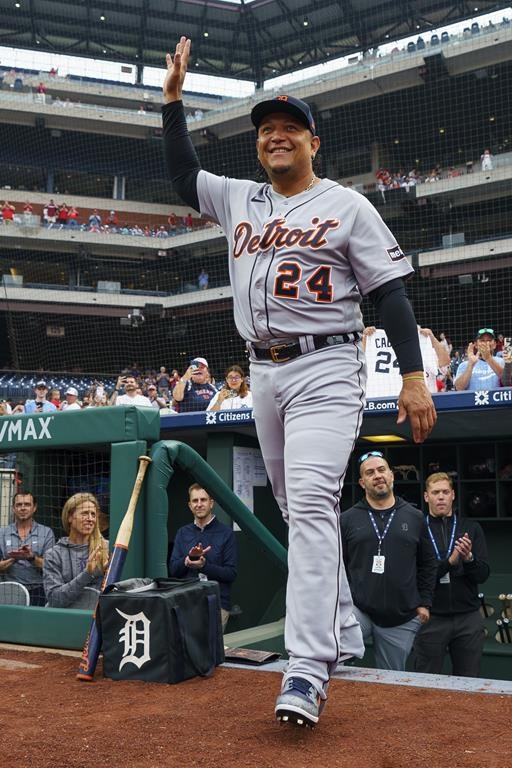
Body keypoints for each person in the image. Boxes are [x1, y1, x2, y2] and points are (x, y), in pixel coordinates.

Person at [162, 36, 436, 728]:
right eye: (265, 130)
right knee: (294, 508)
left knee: (312, 503)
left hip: (325, 366)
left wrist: (412, 377)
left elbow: (393, 295)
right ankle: (342, 625)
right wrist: (172, 104)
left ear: (313, 140)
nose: (275, 136)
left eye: (288, 127)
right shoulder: (239, 199)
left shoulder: (347, 205)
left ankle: (307, 669)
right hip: (262, 372)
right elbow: (181, 175)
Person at [341, 452, 437, 671]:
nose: (377, 476)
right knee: (333, 657)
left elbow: (428, 563)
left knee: (390, 682)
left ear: (392, 476)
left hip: (400, 618)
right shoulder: (347, 519)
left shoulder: (414, 517)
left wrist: (425, 603)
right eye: (370, 472)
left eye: (382, 470)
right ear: (362, 482)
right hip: (358, 610)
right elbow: (337, 565)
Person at [414, 472, 490, 677]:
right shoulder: (417, 529)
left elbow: (482, 575)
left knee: (469, 681)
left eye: (445, 492)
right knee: (425, 680)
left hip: (468, 617)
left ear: (453, 495)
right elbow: (417, 576)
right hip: (431, 617)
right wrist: (449, 562)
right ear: (426, 496)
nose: (441, 497)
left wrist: (469, 559)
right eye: (435, 492)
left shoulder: (471, 529)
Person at [169, 484, 237, 631]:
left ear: (211, 503)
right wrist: (186, 561)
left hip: (217, 605)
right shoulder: (182, 533)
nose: (199, 504)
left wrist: (204, 566)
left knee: (211, 652)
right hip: (187, 603)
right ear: (189, 505)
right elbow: (173, 569)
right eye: (195, 501)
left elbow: (231, 574)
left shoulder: (226, 534)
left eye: (203, 500)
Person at [43, 493, 108, 609]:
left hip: (97, 619)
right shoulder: (54, 554)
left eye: (93, 514)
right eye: (84, 513)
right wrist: (87, 574)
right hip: (64, 619)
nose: (90, 519)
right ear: (70, 517)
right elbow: (55, 600)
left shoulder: (105, 549)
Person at [0, 492, 55, 606]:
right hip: (8, 590)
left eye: (27, 504)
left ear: (34, 507)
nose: (23, 508)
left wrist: (31, 557)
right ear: (13, 508)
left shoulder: (46, 532)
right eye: (19, 505)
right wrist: (13, 558)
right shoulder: (2, 533)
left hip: (38, 590)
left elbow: (51, 567)